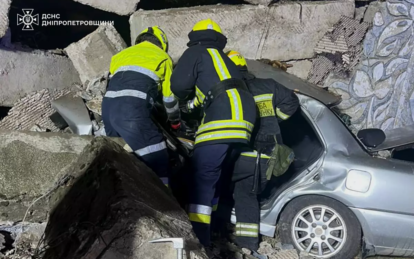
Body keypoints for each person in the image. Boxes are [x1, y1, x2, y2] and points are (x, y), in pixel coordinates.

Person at [170, 19, 257, 247]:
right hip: (245, 120)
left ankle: (198, 240)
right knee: (216, 177)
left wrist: (182, 106)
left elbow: (178, 86)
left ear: (194, 36)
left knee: (201, 177)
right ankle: (216, 229)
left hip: (223, 118)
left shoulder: (196, 52)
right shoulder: (224, 59)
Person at [226, 50, 299, 256]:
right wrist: (276, 118)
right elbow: (292, 101)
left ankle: (247, 243)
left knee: (244, 194)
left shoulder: (231, 89)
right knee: (250, 192)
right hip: (271, 152)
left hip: (247, 151)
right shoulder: (268, 85)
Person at [102, 26, 179, 187]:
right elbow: (169, 98)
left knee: (121, 159)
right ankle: (165, 205)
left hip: (108, 109)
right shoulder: (163, 57)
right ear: (162, 44)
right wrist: (175, 121)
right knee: (158, 157)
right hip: (131, 111)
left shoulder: (120, 55)